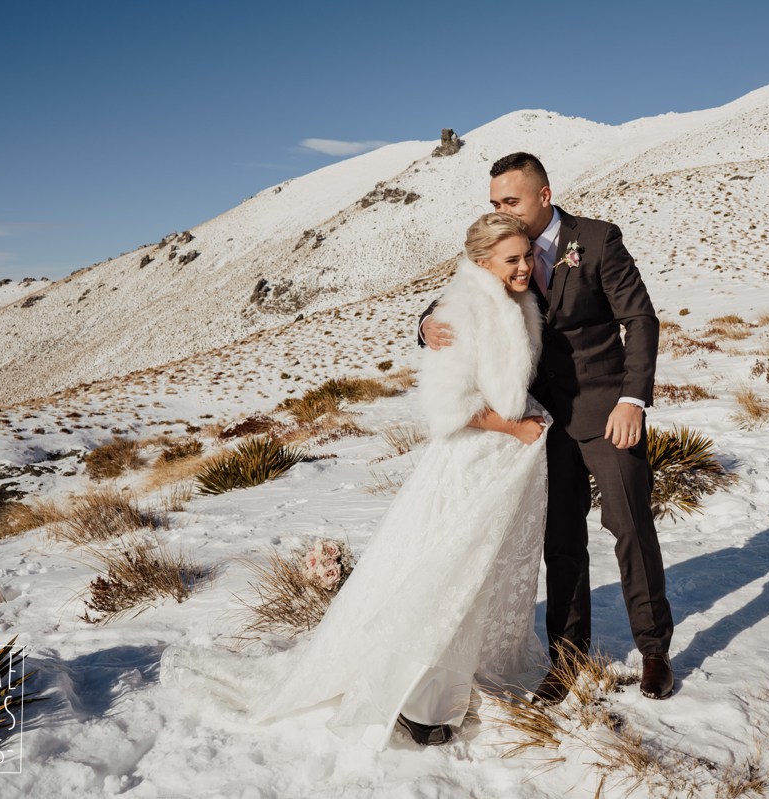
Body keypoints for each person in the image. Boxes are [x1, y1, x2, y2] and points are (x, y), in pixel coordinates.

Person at [254, 212, 552, 748]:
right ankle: (421, 701)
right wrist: (515, 426)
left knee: (484, 571)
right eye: (513, 259)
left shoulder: (516, 300)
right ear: (481, 262)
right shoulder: (463, 310)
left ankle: (463, 674)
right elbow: (450, 406)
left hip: (505, 459)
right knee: (446, 570)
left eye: (528, 255)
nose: (526, 266)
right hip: (471, 461)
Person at [419, 152, 675, 705]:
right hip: (542, 423)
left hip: (610, 414)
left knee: (630, 527)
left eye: (510, 200)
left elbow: (640, 319)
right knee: (560, 544)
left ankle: (654, 650)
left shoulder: (599, 240)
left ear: (544, 195)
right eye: (494, 203)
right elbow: (460, 292)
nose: (501, 210)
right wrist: (425, 323)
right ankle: (567, 658)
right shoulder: (506, 252)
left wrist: (633, 399)